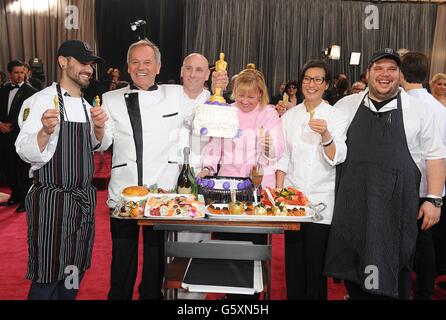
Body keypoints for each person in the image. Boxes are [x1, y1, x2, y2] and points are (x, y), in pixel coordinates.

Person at [324, 48, 446, 300]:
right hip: (353, 207)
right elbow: (331, 150)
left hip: (395, 211)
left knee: (394, 276)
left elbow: (435, 156)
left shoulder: (418, 110)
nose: (385, 74)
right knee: (354, 273)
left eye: (392, 69)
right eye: (378, 68)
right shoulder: (347, 106)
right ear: (367, 73)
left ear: (400, 75)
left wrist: (434, 199)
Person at [15, 40, 109, 299]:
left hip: (83, 200)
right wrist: (45, 131)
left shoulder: (89, 107)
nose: (89, 69)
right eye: (82, 62)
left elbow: (99, 144)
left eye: (91, 64)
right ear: (63, 62)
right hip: (51, 201)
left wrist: (99, 129)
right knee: (47, 275)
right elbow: (24, 150)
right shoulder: (40, 101)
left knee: (73, 272)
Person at [103, 39, 188, 300]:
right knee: (122, 260)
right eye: (136, 62)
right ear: (128, 67)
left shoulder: (176, 94)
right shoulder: (109, 99)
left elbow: (205, 104)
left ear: (159, 66)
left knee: (156, 261)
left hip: (162, 191)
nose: (142, 67)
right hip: (124, 191)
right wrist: (97, 129)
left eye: (147, 62)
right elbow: (103, 142)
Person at [276, 60, 348, 300]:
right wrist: (278, 193)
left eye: (318, 79)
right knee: (293, 266)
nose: (311, 84)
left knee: (315, 266)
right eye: (307, 78)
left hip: (321, 200)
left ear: (326, 84)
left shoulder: (336, 116)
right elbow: (283, 157)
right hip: (292, 199)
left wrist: (326, 135)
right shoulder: (290, 116)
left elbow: (337, 157)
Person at [400, 52, 446, 299]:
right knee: (425, 242)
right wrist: (436, 196)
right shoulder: (440, 109)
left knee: (407, 243)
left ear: (401, 74)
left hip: (411, 186)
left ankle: (405, 288)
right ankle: (424, 291)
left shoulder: (406, 106)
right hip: (434, 190)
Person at [0, 60, 37, 212]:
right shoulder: (3, 89)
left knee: (23, 169)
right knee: (8, 168)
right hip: (3, 135)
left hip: (21, 136)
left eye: (22, 72)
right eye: (16, 72)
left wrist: (13, 125)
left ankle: (25, 200)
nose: (20, 75)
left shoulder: (32, 92)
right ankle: (15, 195)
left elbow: (32, 116)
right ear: (10, 73)